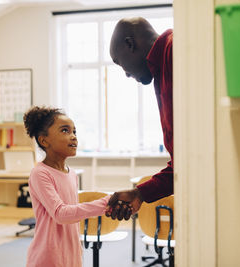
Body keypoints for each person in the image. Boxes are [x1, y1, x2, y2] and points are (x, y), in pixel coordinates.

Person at [23, 106, 110, 267]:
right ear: (44, 140)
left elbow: (73, 216)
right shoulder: (40, 173)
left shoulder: (72, 174)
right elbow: (61, 213)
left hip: (71, 254)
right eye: (65, 131)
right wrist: (106, 203)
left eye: (74, 132)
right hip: (48, 257)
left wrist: (77, 251)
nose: (73, 137)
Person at [105, 17, 173, 220]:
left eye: (119, 62)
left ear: (129, 44)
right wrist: (140, 193)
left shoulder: (174, 51)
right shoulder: (160, 69)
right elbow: (185, 162)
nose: (125, 74)